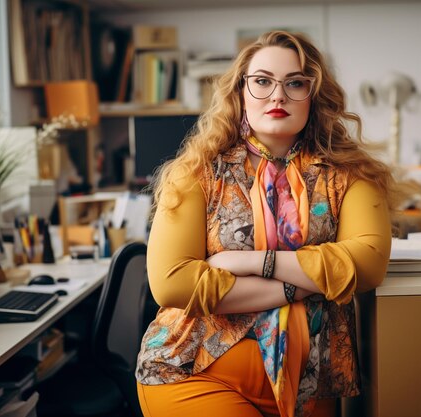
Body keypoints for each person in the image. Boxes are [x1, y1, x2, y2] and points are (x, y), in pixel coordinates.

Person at [136, 30, 396, 417]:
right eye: (262, 81)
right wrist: (308, 285)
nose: (278, 95)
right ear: (241, 92)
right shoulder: (195, 173)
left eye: (295, 83)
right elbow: (172, 283)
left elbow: (368, 263)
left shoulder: (351, 175)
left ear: (314, 95)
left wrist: (255, 263)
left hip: (311, 386)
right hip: (191, 373)